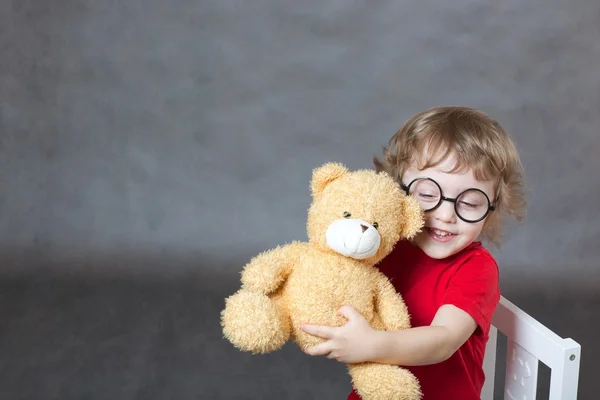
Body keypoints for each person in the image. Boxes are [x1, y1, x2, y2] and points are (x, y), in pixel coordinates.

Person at [301, 106, 527, 399]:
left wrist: (371, 345)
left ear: (492, 207)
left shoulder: (476, 268)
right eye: (428, 195)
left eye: (470, 203)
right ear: (400, 190)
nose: (446, 215)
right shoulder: (385, 246)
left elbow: (443, 339)